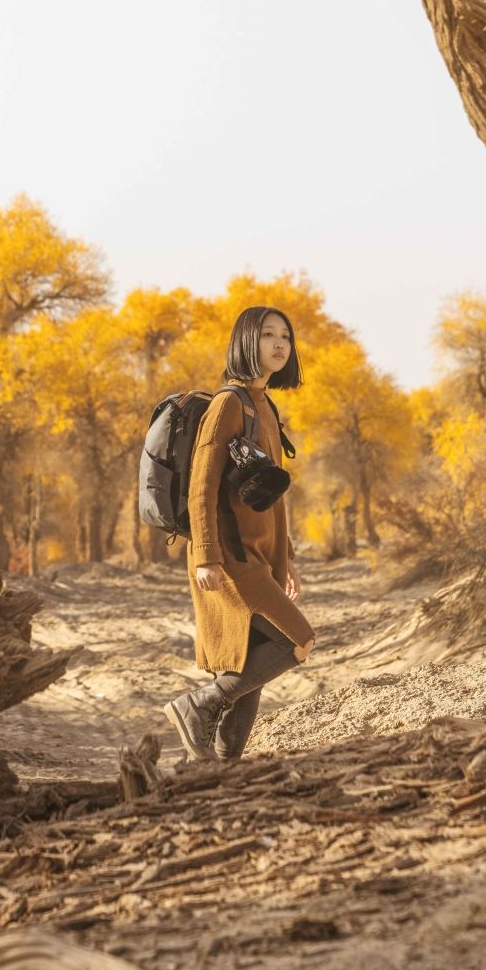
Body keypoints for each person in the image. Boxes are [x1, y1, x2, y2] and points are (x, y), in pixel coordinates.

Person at [163, 306, 317, 762]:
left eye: (285, 337)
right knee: (297, 640)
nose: (279, 344)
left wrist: (284, 560)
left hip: (260, 557)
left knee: (249, 657)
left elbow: (271, 495)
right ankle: (198, 705)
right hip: (229, 557)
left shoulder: (265, 405)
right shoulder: (228, 403)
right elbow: (201, 487)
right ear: (246, 341)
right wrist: (207, 555)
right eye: (268, 335)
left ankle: (222, 765)